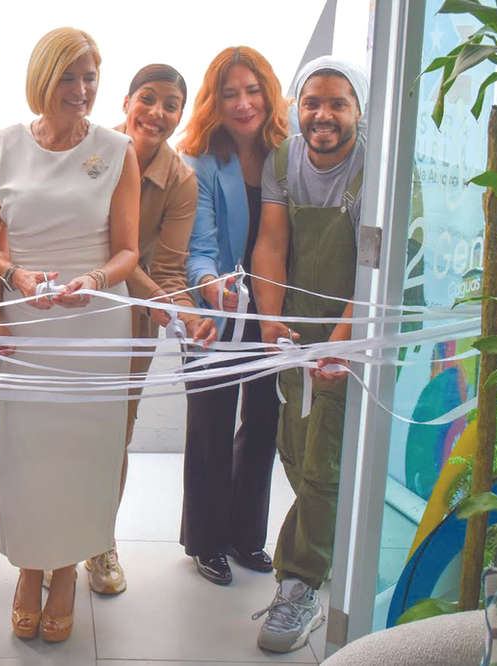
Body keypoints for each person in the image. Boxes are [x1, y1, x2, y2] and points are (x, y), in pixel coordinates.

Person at [0, 27, 140, 643]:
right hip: (25, 324)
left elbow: (128, 250)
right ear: (43, 79)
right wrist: (7, 292)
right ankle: (28, 568)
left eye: (90, 76)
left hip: (94, 322)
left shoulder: (118, 149)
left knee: (83, 453)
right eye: (69, 77)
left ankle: (65, 570)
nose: (82, 90)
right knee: (25, 452)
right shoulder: (3, 145)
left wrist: (91, 278)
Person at [250, 56, 368, 653]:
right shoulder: (281, 160)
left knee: (324, 459)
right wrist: (272, 325)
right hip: (295, 327)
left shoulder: (375, 167)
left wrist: (345, 339)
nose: (323, 115)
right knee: (294, 451)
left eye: (337, 104)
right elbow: (272, 244)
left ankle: (300, 585)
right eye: (312, 103)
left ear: (358, 111)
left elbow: (378, 268)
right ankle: (330, 556)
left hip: (357, 325)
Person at [96, 64, 216, 595]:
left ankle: (100, 543)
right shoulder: (91, 151)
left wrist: (186, 312)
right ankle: (49, 544)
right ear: (125, 102)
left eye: (172, 105)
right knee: (61, 426)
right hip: (70, 310)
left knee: (114, 433)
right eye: (148, 99)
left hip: (132, 320)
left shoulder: (181, 181)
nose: (158, 113)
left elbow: (168, 268)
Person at [177, 46, 289, 587]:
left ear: (269, 94)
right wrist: (206, 283)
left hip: (272, 310)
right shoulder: (199, 160)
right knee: (210, 425)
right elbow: (197, 245)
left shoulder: (287, 155)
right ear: (213, 101)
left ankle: (247, 537)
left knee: (264, 419)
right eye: (230, 93)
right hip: (212, 310)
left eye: (253, 90)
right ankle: (206, 542)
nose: (244, 104)